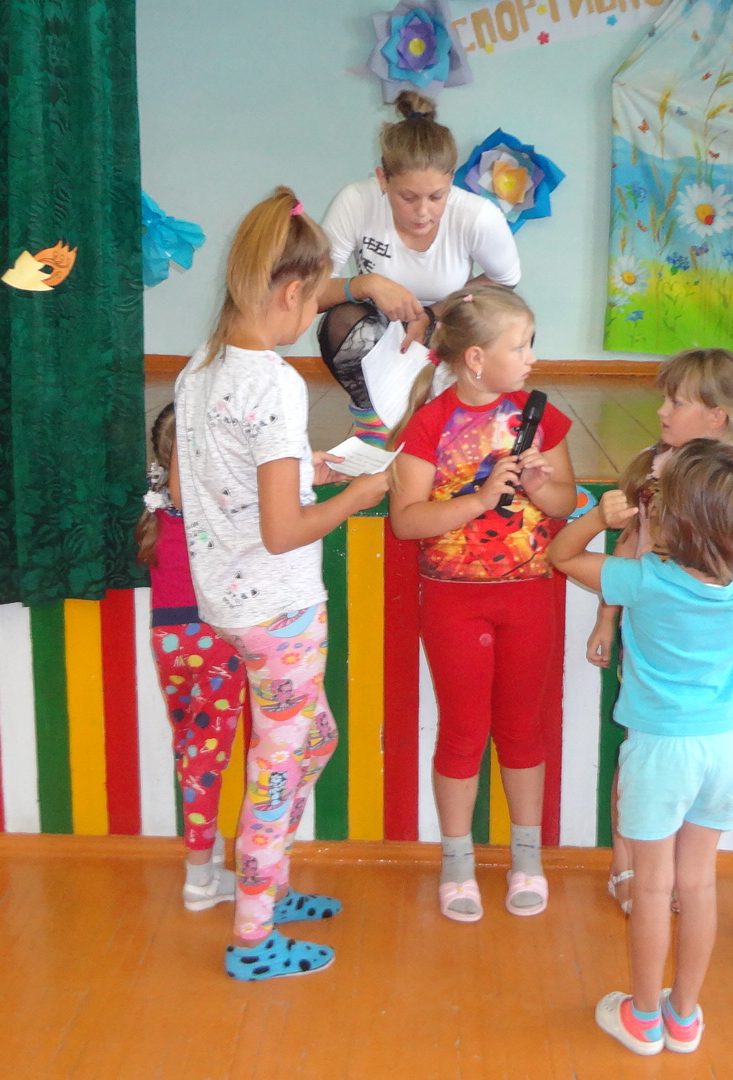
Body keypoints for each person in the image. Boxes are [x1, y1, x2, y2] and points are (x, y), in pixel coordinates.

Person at [172, 187, 391, 980]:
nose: (315, 317)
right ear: (292, 291)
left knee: (310, 741)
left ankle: (267, 881)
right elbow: (282, 531)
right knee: (276, 768)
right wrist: (359, 495)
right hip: (281, 610)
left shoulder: (201, 369)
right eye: (317, 299)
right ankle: (254, 936)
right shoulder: (274, 382)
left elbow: (200, 482)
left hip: (230, 604)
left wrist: (311, 466)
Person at [549, 442, 733, 1056]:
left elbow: (561, 555)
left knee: (655, 888)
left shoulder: (641, 580)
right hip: (721, 747)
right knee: (700, 885)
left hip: (660, 753)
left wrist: (599, 518)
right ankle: (683, 1016)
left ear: (669, 517)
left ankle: (642, 1017)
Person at [388, 285, 574, 922]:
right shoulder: (429, 423)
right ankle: (457, 861)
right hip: (453, 601)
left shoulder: (540, 415)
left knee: (523, 728)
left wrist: (542, 487)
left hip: (529, 594)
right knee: (463, 730)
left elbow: (565, 503)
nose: (531, 358)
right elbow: (407, 522)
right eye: (519, 346)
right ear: (474, 359)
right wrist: (480, 497)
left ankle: (527, 858)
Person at [583, 349, 733, 915]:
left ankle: (671, 873)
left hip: (710, 652)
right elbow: (628, 546)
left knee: (682, 768)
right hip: (655, 636)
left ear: (717, 416)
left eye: (676, 401)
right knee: (640, 755)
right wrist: (606, 618)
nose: (662, 410)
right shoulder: (654, 464)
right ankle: (629, 864)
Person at [316, 90, 522, 446]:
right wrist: (366, 283)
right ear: (383, 179)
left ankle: (445, 414)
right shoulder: (356, 201)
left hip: (444, 324)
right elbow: (312, 292)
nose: (423, 211)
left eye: (436, 196)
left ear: (451, 181)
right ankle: (375, 420)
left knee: (501, 322)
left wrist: (432, 313)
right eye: (408, 197)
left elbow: (505, 280)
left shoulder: (477, 215)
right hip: (380, 327)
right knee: (341, 320)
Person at [134, 404, 247, 912]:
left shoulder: (158, 512)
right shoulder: (216, 517)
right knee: (206, 760)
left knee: (191, 749)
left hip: (169, 641)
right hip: (215, 642)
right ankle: (200, 878)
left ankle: (209, 860)